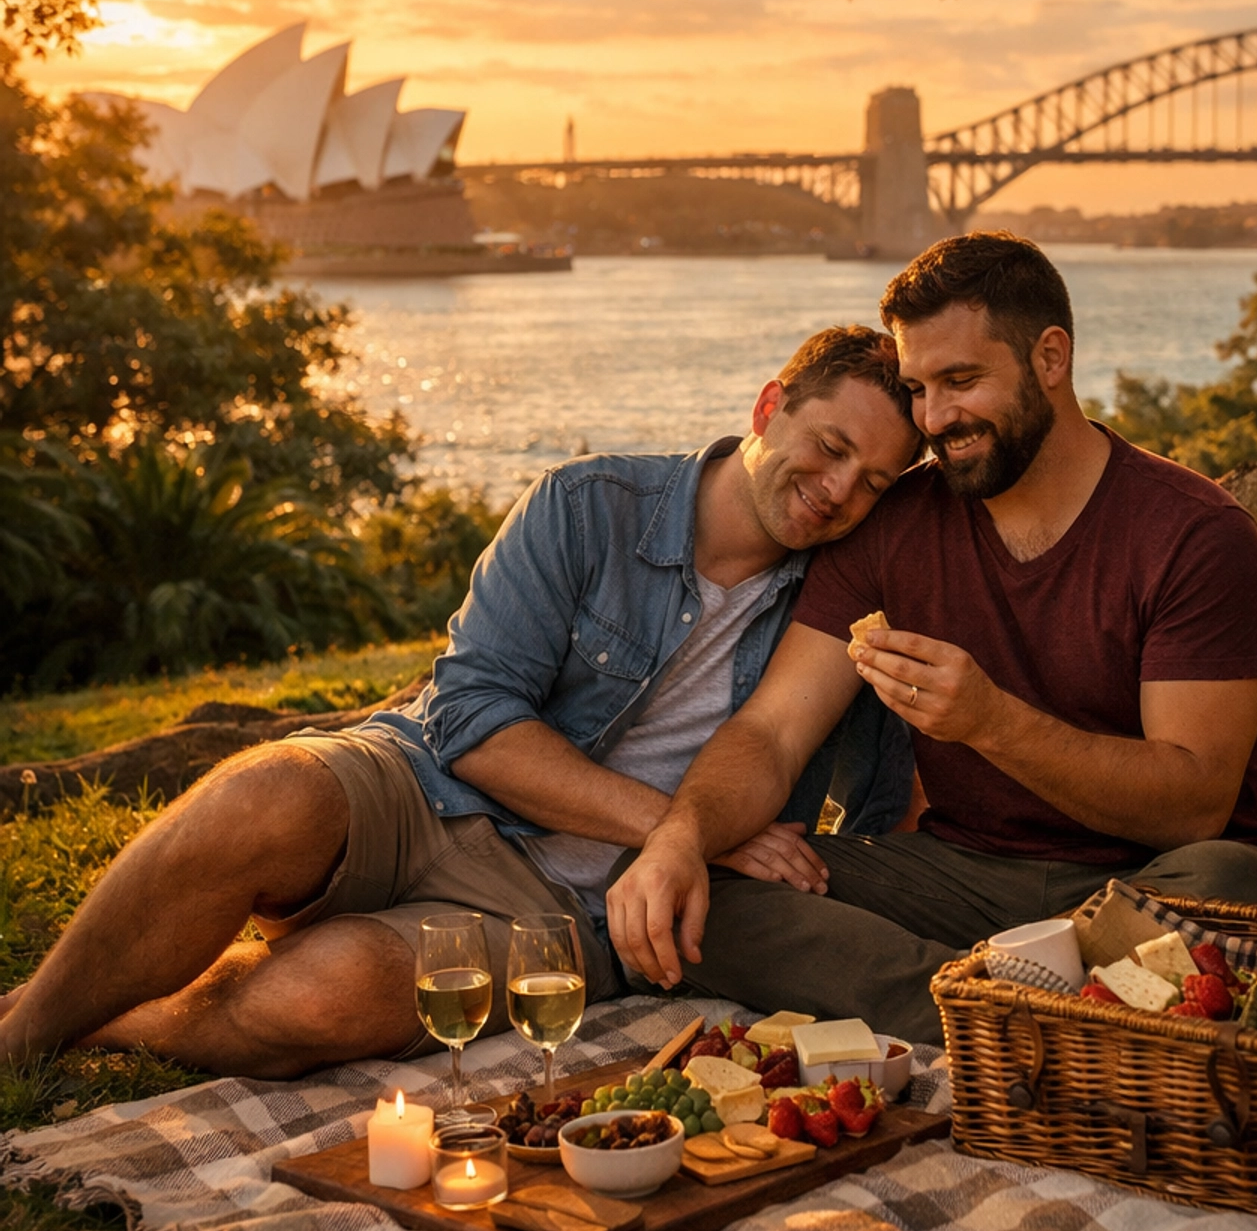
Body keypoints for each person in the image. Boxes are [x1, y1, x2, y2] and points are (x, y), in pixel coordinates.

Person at [0, 327, 920, 1076]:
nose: (839, 490)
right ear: (768, 407)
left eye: (874, 481)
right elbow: (473, 718)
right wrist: (684, 831)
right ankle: (23, 1032)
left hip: (576, 912)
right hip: (430, 786)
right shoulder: (588, 505)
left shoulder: (840, 604)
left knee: (328, 995)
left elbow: (882, 806)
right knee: (264, 794)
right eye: (830, 447)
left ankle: (115, 1021)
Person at [606, 233, 1257, 1044]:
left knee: (1237, 881)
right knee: (687, 888)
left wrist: (990, 722)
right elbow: (772, 731)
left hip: (1155, 879)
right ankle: (1021, 1009)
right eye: (918, 388)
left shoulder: (1194, 533)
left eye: (962, 381)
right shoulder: (893, 524)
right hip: (964, 878)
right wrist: (681, 837)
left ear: (1050, 358)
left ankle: (984, 1002)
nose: (936, 419)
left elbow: (1193, 809)